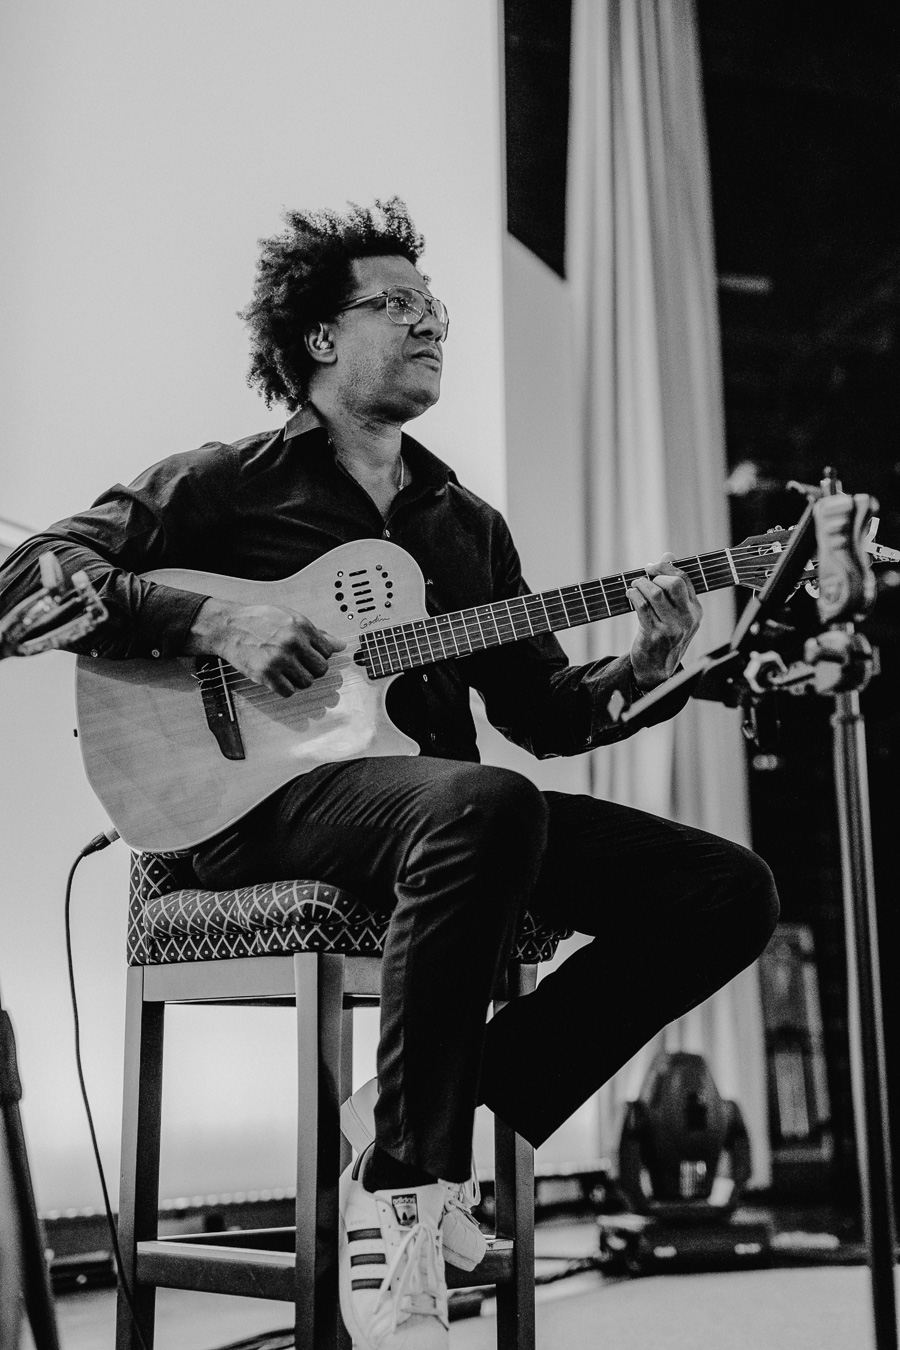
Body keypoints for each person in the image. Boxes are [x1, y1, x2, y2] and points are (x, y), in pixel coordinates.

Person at [0, 198, 779, 1350]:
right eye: (397, 305)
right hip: (252, 809)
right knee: (483, 805)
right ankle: (410, 1193)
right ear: (319, 337)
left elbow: (543, 715)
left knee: (728, 892)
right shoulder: (224, 484)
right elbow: (23, 583)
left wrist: (645, 663)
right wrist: (218, 622)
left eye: (435, 308)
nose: (430, 324)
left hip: (445, 819)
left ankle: (436, 1104)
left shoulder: (466, 524)